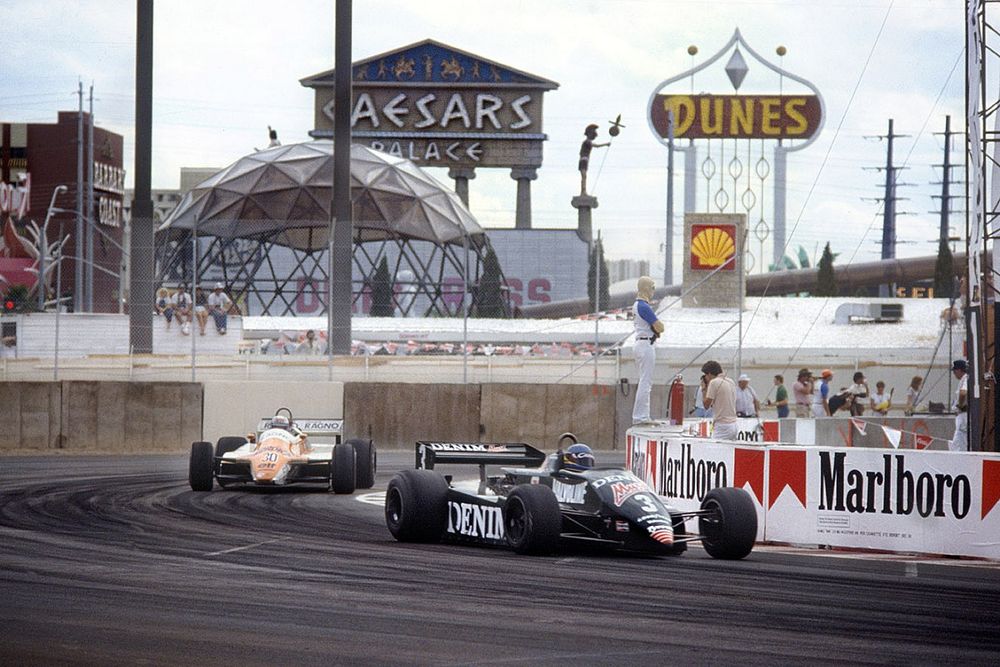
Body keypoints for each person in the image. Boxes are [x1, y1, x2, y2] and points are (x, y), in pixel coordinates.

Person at [631, 276, 664, 425]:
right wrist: (658, 327)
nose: (653, 291)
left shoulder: (637, 305)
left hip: (641, 343)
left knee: (644, 381)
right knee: (646, 382)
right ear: (645, 288)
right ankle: (641, 416)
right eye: (651, 287)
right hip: (646, 345)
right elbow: (659, 326)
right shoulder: (644, 306)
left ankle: (642, 415)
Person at [702, 360, 738, 440]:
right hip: (733, 424)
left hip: (722, 425)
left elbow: (706, 405)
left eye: (706, 375)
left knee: (713, 450)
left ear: (709, 374)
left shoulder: (714, 382)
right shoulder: (730, 381)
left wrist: (704, 389)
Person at [578, 123, 610, 196]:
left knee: (584, 176)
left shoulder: (588, 142)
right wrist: (606, 144)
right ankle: (583, 191)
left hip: (585, 161)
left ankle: (583, 191)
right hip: (583, 161)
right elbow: (596, 146)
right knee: (584, 176)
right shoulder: (587, 142)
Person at [949, 359, 968, 452]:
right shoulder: (964, 379)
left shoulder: (966, 378)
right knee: (958, 443)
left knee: (959, 445)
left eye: (954, 371)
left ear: (959, 370)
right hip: (962, 415)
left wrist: (960, 405)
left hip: (963, 414)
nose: (954, 374)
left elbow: (963, 393)